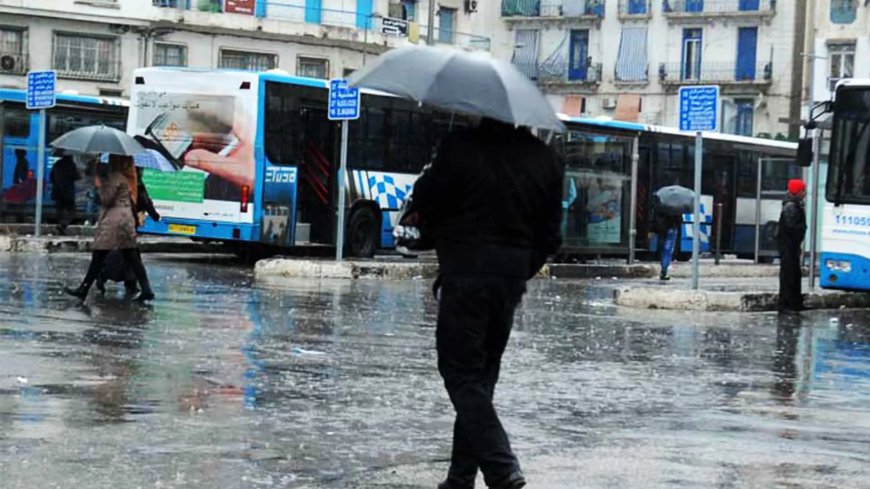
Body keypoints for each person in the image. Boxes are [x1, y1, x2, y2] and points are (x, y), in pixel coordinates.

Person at [411, 118, 564, 489]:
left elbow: (425, 201)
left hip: (465, 274)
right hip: (509, 280)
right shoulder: (544, 158)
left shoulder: (459, 146)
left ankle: (501, 468)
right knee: (480, 378)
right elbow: (550, 236)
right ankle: (460, 477)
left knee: (460, 374)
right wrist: (519, 268)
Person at [65, 155, 155, 302]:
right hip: (125, 221)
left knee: (99, 257)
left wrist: (100, 185)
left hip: (113, 222)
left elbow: (107, 200)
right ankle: (146, 289)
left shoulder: (114, 177)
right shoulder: (127, 177)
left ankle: (84, 289)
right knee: (132, 257)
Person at [776, 179, 807, 313]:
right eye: (803, 191)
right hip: (788, 245)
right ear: (798, 192)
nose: (805, 193)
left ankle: (795, 303)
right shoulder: (791, 207)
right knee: (788, 274)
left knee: (794, 274)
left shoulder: (795, 205)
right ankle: (787, 304)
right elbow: (791, 228)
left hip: (792, 246)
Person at [50, 151, 82, 235]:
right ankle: (63, 225)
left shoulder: (57, 164)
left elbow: (51, 177)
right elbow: (77, 177)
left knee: (59, 210)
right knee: (71, 211)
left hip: (57, 191)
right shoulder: (71, 165)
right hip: (68, 192)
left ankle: (58, 225)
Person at [652, 205, 682, 281]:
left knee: (662, 250)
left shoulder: (660, 203)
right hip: (671, 229)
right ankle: (664, 271)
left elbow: (655, 216)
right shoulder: (676, 206)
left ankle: (663, 267)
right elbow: (679, 219)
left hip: (661, 229)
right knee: (667, 251)